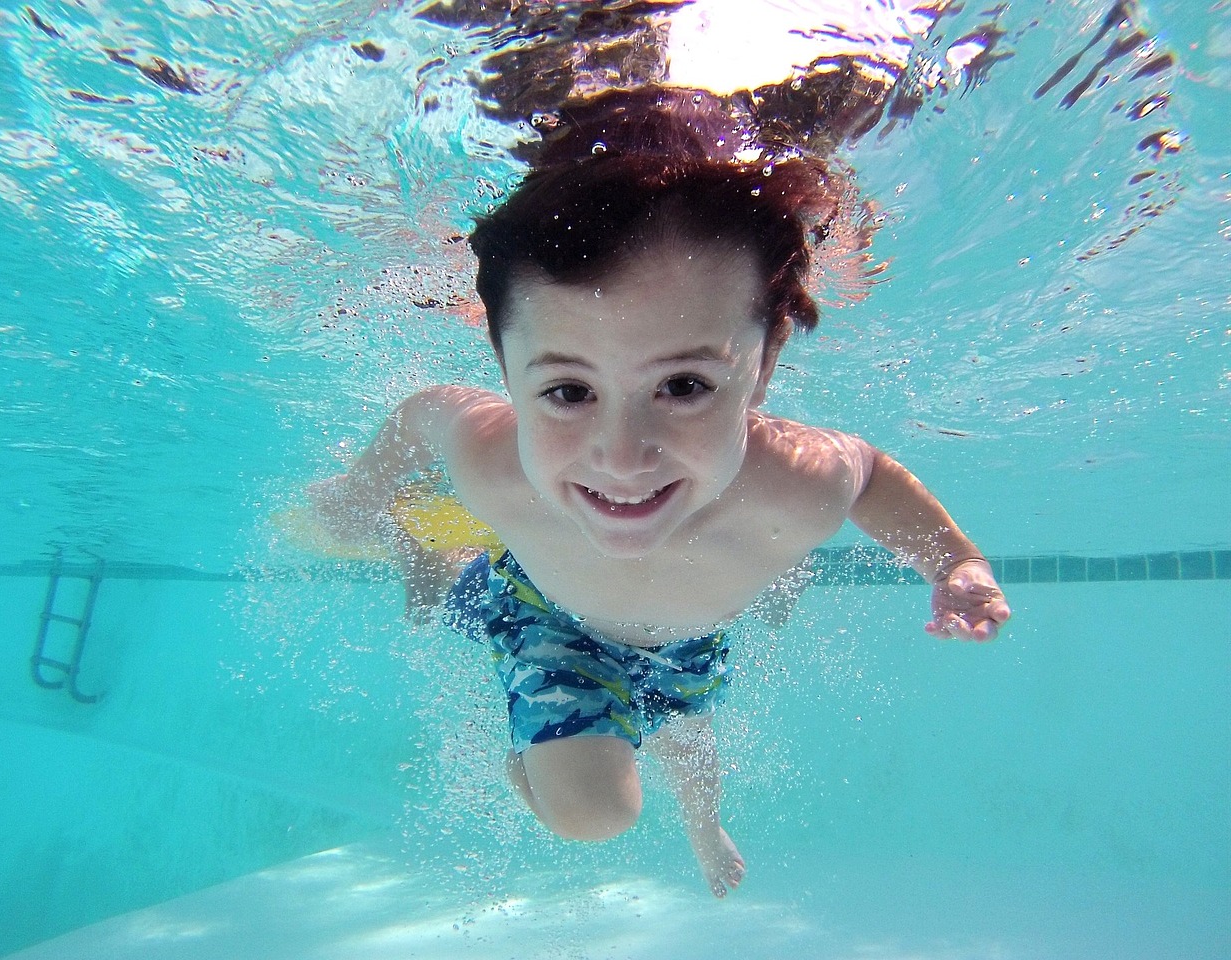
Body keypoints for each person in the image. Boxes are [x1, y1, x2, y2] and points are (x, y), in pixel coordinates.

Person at [306, 92, 1010, 899]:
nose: (622, 458)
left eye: (682, 385)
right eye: (568, 392)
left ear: (766, 361)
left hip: (687, 639)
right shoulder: (493, 461)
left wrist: (954, 562)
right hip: (546, 618)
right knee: (592, 814)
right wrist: (366, 487)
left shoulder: (798, 479)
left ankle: (704, 829)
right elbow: (426, 413)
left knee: (687, 736)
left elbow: (875, 477)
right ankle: (436, 564)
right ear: (506, 372)